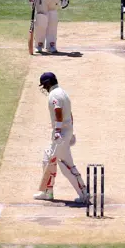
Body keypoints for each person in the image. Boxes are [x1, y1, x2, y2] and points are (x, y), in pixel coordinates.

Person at [34, 72, 87, 203]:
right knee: (47, 158)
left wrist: (58, 131)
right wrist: (71, 132)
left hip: (61, 134)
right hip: (64, 132)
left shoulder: (54, 95)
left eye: (44, 85)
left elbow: (58, 111)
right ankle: (48, 192)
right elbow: (69, 113)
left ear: (47, 83)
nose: (44, 88)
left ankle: (84, 194)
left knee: (66, 165)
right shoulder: (63, 92)